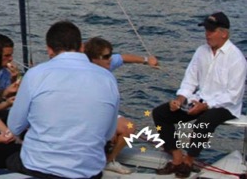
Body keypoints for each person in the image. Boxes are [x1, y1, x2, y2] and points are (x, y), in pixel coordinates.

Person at [7, 20, 120, 179]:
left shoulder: (35, 75)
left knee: (10, 159)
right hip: (88, 171)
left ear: (49, 50)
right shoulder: (108, 78)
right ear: (81, 47)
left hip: (39, 168)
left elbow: (14, 126)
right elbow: (108, 134)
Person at [152, 12, 247, 178]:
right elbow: (190, 80)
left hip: (225, 105)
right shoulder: (201, 51)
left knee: (203, 122)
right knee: (160, 113)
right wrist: (180, 99)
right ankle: (176, 157)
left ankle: (189, 160)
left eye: (211, 30)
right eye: (206, 30)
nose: (207, 34)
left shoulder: (237, 59)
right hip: (200, 99)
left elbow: (233, 95)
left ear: (224, 33)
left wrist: (205, 105)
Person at [84, 37, 159, 174]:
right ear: (94, 59)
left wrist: (147, 60)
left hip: (106, 113)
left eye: (110, 55)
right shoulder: (83, 73)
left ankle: (109, 160)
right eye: (106, 56)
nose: (110, 59)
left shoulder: (107, 63)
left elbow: (124, 58)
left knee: (129, 127)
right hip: (88, 114)